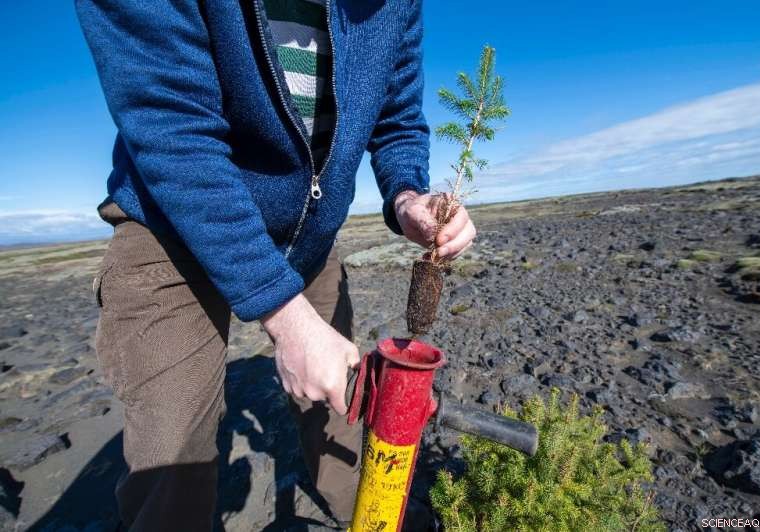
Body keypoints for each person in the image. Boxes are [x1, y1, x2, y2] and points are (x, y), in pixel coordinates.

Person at [77, 0, 476, 530]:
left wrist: (407, 197)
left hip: (308, 237)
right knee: (172, 452)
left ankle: (364, 511)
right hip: (171, 223)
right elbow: (170, 125)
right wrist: (285, 315)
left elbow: (397, 119)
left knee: (339, 394)